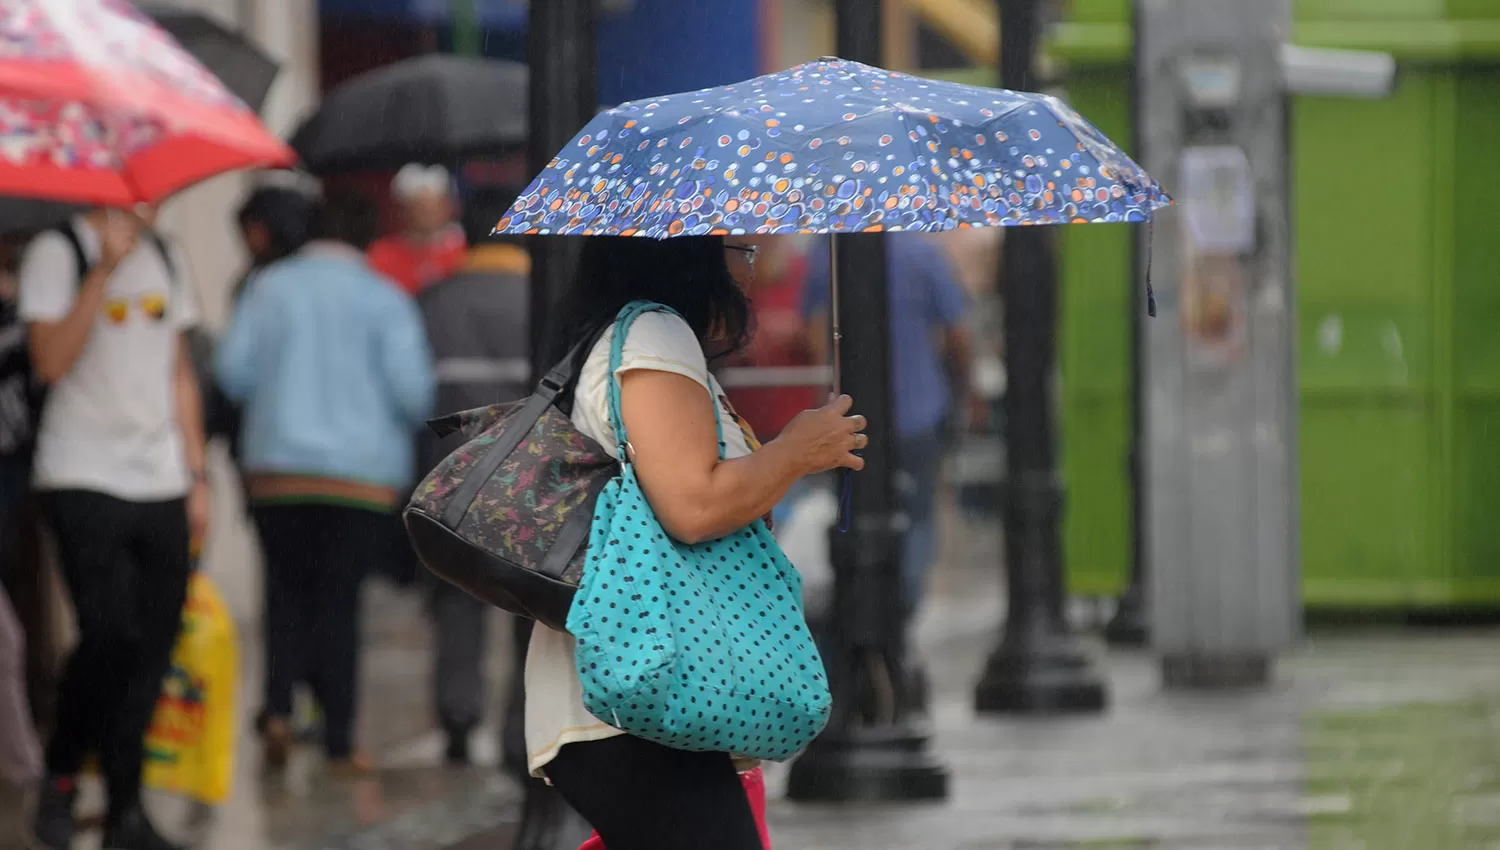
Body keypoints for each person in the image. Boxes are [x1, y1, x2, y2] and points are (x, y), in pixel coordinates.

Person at [527, 235, 866, 850]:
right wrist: (797, 452)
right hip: (637, 698)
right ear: (690, 255)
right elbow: (693, 505)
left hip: (640, 699)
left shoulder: (638, 339)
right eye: (742, 249)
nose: (748, 271)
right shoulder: (656, 337)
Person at [215, 191, 435, 774]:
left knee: (283, 594)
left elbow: (232, 374)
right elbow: (415, 395)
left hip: (277, 475)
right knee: (339, 603)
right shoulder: (385, 298)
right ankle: (339, 736)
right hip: (359, 482)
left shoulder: (267, 288)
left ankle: (280, 708)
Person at [20, 207, 207, 850]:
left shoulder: (168, 252)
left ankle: (127, 810)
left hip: (161, 478)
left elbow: (177, 369)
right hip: (81, 471)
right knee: (108, 633)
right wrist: (102, 271)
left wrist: (197, 473)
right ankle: (63, 772)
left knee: (154, 647)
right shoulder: (57, 251)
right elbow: (49, 360)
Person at [803, 235, 976, 616]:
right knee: (916, 517)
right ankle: (901, 618)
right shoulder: (925, 253)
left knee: (849, 514)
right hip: (920, 409)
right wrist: (964, 387)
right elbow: (958, 334)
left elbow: (815, 334)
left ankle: (865, 615)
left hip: (847, 417)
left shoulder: (825, 252)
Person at [414, 220, 531, 766]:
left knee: (456, 594)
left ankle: (458, 715)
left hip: (450, 473)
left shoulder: (435, 300)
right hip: (530, 474)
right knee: (530, 600)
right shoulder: (543, 296)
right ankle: (519, 729)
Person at [367, 164, 468, 296]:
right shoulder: (381, 255)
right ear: (402, 210)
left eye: (436, 206)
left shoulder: (464, 251)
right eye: (420, 208)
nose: (429, 215)